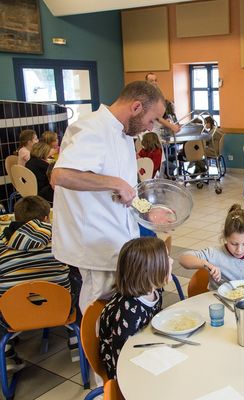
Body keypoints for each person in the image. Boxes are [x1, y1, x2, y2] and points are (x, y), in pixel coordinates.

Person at [51, 80, 166, 313]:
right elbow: (61, 176)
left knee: (117, 312)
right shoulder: (92, 128)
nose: (151, 127)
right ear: (136, 108)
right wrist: (114, 182)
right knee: (97, 314)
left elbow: (126, 191)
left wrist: (146, 210)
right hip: (94, 244)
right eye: (151, 119)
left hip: (119, 240)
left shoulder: (124, 136)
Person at [0, 196, 71, 372]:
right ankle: (75, 339)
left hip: (14, 313)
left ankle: (8, 353)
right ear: (46, 218)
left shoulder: (2, 245)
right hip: (60, 307)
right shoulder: (59, 239)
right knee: (77, 280)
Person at [99, 237, 171, 380]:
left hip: (146, 347)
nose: (171, 262)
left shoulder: (155, 291)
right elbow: (119, 360)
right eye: (166, 259)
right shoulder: (127, 311)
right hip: (126, 366)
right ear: (150, 272)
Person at [180, 204, 244, 289]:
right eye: (234, 244)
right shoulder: (214, 253)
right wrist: (206, 264)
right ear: (225, 237)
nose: (239, 250)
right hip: (218, 300)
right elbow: (183, 259)